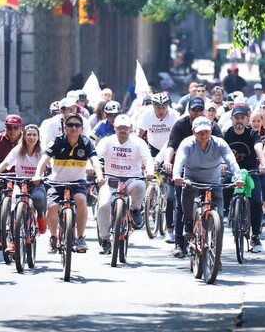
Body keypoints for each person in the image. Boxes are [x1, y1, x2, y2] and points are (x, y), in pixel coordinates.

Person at [172, 116, 244, 258]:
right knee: (186, 192)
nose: (203, 135)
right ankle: (188, 223)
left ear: (211, 131)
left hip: (214, 183)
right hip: (192, 181)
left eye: (206, 131)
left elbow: (231, 160)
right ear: (193, 132)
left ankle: (216, 255)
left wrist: (238, 176)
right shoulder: (187, 143)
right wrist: (176, 176)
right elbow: (179, 160)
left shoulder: (219, 143)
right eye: (199, 132)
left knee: (219, 221)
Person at [33, 113, 104, 254]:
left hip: (77, 182)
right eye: (70, 125)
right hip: (56, 182)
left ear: (81, 128)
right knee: (52, 207)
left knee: (81, 199)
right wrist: (38, 174)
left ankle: (80, 237)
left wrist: (100, 176)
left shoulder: (86, 142)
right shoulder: (57, 141)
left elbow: (95, 161)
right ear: (65, 127)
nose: (74, 128)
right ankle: (53, 237)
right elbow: (44, 160)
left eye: (77, 125)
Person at [162, 97, 223, 256]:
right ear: (188, 111)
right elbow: (171, 145)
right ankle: (179, 244)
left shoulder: (212, 126)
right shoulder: (180, 125)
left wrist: (223, 164)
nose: (197, 113)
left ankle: (214, 249)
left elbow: (223, 146)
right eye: (194, 110)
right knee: (181, 206)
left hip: (207, 171)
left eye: (199, 110)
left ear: (204, 111)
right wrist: (168, 162)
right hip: (183, 169)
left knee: (216, 209)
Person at [95, 115, 154, 254]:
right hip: (111, 180)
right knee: (103, 206)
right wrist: (92, 168)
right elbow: (95, 156)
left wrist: (150, 171)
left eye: (125, 128)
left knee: (140, 186)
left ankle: (135, 209)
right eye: (120, 127)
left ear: (130, 128)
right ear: (114, 128)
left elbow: (147, 158)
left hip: (132, 179)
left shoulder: (138, 142)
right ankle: (104, 239)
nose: (123, 130)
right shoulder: (107, 141)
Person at [0, 124, 47, 253]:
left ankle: (40, 216)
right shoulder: (18, 149)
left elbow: (49, 162)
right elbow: (6, 162)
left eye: (34, 135)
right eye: (29, 134)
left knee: (38, 198)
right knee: (12, 206)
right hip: (20, 183)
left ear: (38, 137)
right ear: (24, 136)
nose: (31, 137)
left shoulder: (42, 150)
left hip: (37, 184)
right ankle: (13, 242)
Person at [222, 107, 265, 252]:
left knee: (255, 202)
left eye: (242, 118)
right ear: (232, 119)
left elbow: (258, 148)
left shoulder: (252, 133)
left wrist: (263, 163)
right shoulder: (226, 135)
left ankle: (255, 236)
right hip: (231, 172)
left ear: (247, 120)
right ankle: (226, 212)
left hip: (250, 172)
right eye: (237, 118)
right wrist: (222, 164)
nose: (239, 121)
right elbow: (220, 151)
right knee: (224, 187)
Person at [137, 93, 180, 242]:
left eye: (163, 107)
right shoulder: (146, 114)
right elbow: (139, 135)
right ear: (153, 106)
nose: (161, 110)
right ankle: (150, 198)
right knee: (149, 173)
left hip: (170, 148)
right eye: (158, 107)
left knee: (169, 190)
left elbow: (174, 138)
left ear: (167, 106)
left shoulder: (174, 115)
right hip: (152, 147)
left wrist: (163, 159)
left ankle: (170, 227)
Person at [0, 114, 23, 251]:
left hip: (21, 177)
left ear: (21, 128)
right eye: (9, 127)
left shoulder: (25, 139)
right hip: (3, 176)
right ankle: (0, 237)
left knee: (22, 203)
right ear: (5, 128)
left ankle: (23, 228)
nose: (12, 131)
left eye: (16, 128)